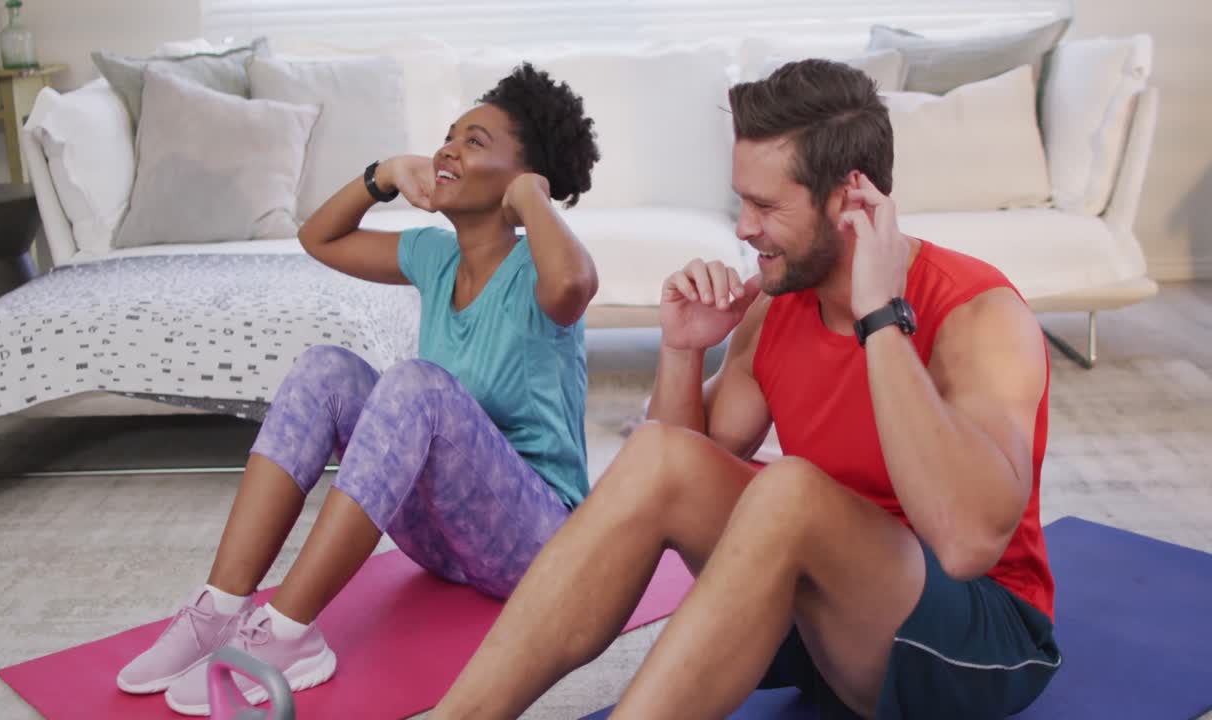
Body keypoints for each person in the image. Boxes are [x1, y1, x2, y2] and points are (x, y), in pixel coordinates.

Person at [430, 59, 1061, 720]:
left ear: (849, 199)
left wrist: (881, 320)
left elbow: (968, 544)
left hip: (974, 649)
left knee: (789, 490)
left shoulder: (978, 314)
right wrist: (683, 347)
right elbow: (683, 473)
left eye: (763, 206)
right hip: (822, 631)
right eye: (740, 201)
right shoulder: (780, 304)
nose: (741, 228)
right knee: (657, 453)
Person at [115, 62, 601, 716]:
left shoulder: (540, 270)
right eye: (448, 135)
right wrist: (385, 175)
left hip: (542, 546)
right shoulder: (436, 255)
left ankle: (289, 633)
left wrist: (534, 201)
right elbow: (319, 237)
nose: (448, 149)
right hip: (449, 544)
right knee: (325, 369)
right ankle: (220, 609)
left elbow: (574, 286)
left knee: (415, 386)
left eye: (476, 141)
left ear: (522, 177)